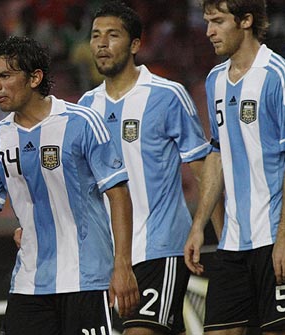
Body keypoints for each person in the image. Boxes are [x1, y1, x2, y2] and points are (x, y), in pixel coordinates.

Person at [0, 35, 139, 335]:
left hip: (87, 278)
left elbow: (119, 194)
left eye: (5, 76)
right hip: (29, 283)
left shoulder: (82, 122)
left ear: (35, 77)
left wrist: (122, 266)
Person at [77, 2, 223, 334]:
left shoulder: (167, 95)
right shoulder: (85, 109)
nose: (101, 43)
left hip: (161, 246)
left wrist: (222, 241)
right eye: (96, 35)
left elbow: (203, 169)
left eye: (112, 35)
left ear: (135, 44)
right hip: (109, 259)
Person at [183, 0, 285, 334]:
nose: (209, 31)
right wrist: (200, 224)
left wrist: (284, 236)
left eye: (217, 22)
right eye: (207, 21)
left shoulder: (276, 76)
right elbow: (217, 153)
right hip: (233, 242)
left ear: (245, 20)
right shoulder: (215, 81)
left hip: (275, 236)